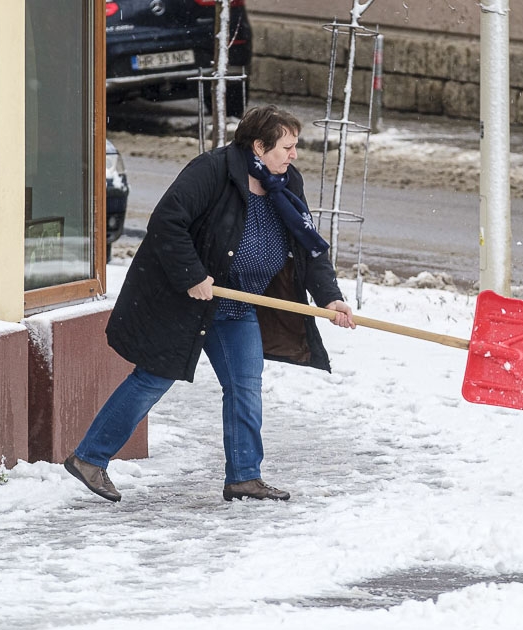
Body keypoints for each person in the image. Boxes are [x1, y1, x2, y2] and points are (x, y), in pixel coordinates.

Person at [65, 105, 355, 503]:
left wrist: (331, 297)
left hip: (238, 306)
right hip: (185, 300)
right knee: (153, 379)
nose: (294, 154)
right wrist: (193, 276)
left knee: (245, 387)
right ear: (258, 146)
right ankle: (89, 459)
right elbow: (168, 221)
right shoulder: (213, 171)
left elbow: (308, 245)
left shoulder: (285, 183)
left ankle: (244, 476)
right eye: (287, 146)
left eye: (294, 146)